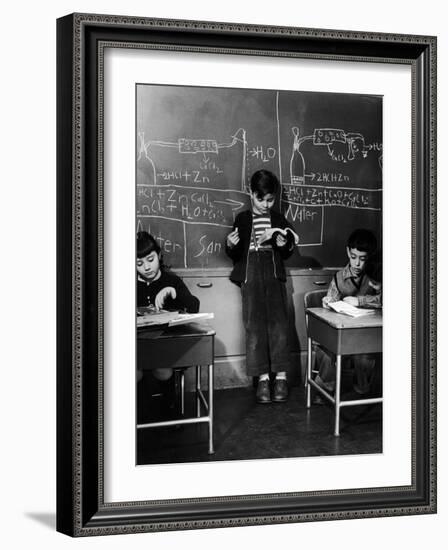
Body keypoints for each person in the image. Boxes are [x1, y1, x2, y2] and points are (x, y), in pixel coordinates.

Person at [225, 169, 299, 404]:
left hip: (274, 275)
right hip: (251, 276)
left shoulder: (278, 219)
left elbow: (286, 253)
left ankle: (281, 378)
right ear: (250, 193)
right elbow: (235, 254)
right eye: (261, 199)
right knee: (254, 328)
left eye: (270, 199)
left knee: (279, 326)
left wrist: (283, 243)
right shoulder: (243, 219)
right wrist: (230, 244)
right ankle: (263, 380)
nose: (266, 205)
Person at [315, 228, 382, 397]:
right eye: (353, 257)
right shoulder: (339, 277)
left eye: (362, 259)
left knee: (365, 355)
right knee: (324, 347)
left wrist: (360, 301)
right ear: (347, 251)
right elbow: (331, 299)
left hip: (367, 336)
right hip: (343, 333)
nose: (357, 264)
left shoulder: (376, 275)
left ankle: (362, 388)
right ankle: (326, 385)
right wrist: (328, 302)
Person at [136, 230, 199, 391]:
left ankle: (167, 405)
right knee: (133, 373)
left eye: (150, 260)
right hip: (136, 345)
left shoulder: (171, 280)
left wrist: (173, 291)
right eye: (139, 263)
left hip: (165, 345)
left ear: (159, 255)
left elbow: (194, 306)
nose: (147, 267)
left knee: (163, 371)